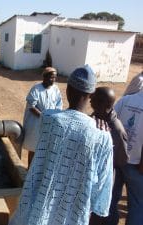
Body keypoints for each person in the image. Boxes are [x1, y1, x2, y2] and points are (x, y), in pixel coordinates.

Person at [9, 65, 113, 225]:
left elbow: (53, 115)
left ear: (67, 90)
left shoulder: (49, 119)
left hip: (38, 208)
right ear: (90, 95)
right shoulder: (103, 136)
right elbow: (102, 184)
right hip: (72, 212)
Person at [89, 87, 128, 225]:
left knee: (105, 213)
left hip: (106, 181)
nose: (90, 99)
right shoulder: (93, 118)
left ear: (104, 104)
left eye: (94, 98)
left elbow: (122, 160)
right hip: (90, 179)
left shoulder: (116, 130)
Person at [106, 88, 143, 225]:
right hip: (137, 165)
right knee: (138, 205)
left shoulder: (126, 100)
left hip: (116, 160)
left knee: (110, 199)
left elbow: (109, 121)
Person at [22, 67, 62, 166]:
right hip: (36, 123)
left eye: (55, 78)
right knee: (34, 148)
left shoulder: (55, 89)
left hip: (50, 122)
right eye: (51, 77)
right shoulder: (36, 88)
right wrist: (43, 116)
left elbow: (59, 104)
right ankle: (29, 169)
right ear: (44, 77)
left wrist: (54, 117)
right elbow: (31, 106)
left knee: (46, 148)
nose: (53, 80)